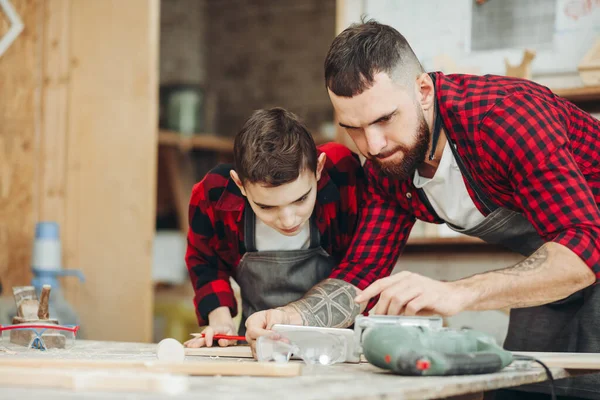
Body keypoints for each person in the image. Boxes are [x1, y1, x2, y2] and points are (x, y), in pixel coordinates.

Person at [319, 20, 599, 399]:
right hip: (556, 259)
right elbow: (362, 272)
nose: (373, 145)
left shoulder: (505, 118)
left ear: (423, 91)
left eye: (385, 119)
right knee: (518, 385)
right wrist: (291, 317)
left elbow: (585, 244)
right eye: (354, 127)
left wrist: (458, 293)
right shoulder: (391, 164)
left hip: (585, 246)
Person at [184, 107, 366, 349]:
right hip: (258, 343)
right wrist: (221, 321)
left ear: (319, 169)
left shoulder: (342, 174)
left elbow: (362, 266)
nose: (289, 220)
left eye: (301, 199)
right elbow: (205, 262)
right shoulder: (214, 196)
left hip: (340, 343)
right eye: (267, 207)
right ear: (240, 184)